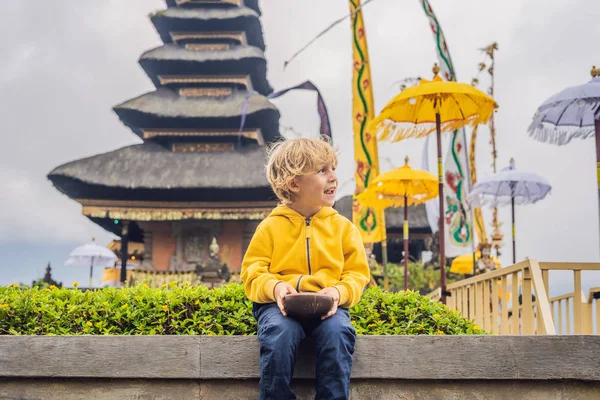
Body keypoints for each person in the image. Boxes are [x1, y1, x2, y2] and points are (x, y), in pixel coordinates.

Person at [241, 137, 370, 399]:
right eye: (322, 171)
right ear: (294, 184)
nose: (333, 177)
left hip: (328, 305)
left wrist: (337, 293)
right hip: (279, 306)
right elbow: (252, 272)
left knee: (338, 333)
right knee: (279, 334)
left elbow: (356, 274)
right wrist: (275, 287)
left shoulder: (344, 228)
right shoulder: (270, 227)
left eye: (333, 168)